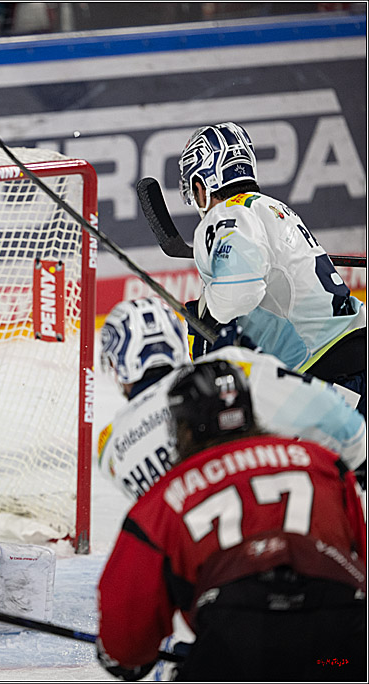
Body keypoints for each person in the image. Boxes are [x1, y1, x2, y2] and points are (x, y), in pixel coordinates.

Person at [96, 360, 367, 681]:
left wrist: (132, 658)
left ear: (183, 428)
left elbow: (125, 643)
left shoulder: (165, 498)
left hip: (236, 650)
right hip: (340, 652)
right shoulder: (325, 464)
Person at [178, 121, 366, 416]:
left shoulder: (226, 215)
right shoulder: (271, 207)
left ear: (201, 186)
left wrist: (206, 315)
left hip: (334, 375)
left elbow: (239, 294)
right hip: (353, 353)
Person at [97, 297, 367, 499]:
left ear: (116, 364)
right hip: (283, 530)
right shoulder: (232, 370)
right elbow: (346, 426)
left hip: (200, 557)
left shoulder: (109, 448)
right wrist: (251, 363)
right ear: (178, 342)